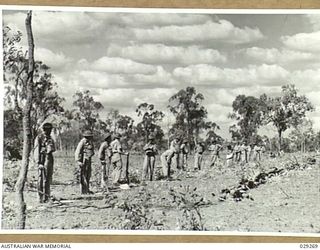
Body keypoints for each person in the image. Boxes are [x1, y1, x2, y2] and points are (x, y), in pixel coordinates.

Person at [34, 122, 56, 203]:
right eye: (46, 130)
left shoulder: (50, 138)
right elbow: (36, 151)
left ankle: (47, 197)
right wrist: (39, 162)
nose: (48, 131)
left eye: (49, 130)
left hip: (49, 158)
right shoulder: (39, 138)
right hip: (42, 159)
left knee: (48, 179)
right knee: (41, 179)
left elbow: (53, 148)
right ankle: (40, 197)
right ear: (43, 130)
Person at [75, 130, 95, 194]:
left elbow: (92, 150)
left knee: (88, 175)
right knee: (83, 175)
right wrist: (78, 161)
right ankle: (83, 191)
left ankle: (87, 189)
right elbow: (77, 152)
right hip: (83, 161)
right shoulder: (82, 142)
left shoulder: (90, 142)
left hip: (88, 160)